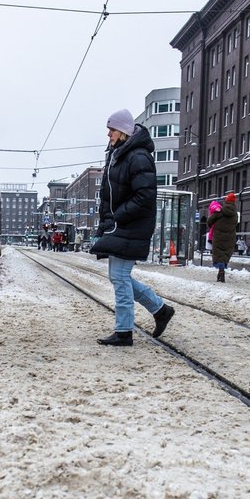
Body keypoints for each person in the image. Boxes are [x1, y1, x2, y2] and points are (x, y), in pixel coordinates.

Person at [89, 109, 173, 346]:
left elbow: (145, 196)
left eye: (112, 129)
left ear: (124, 131)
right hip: (122, 225)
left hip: (131, 225)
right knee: (119, 276)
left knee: (119, 276)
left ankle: (124, 331)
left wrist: (118, 216)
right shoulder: (120, 154)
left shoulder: (137, 156)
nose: (109, 134)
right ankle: (160, 310)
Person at [207, 192, 238, 282]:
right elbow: (235, 224)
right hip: (230, 237)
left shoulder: (220, 211)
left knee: (219, 253)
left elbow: (209, 221)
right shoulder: (235, 214)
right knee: (225, 254)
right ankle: (222, 269)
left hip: (218, 236)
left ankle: (221, 270)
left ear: (226, 201)